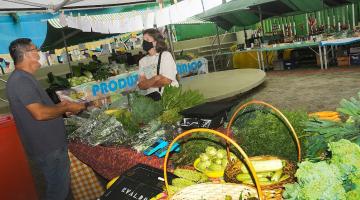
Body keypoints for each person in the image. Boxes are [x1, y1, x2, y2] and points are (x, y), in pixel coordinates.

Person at [6, 38, 86, 200]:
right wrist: (66, 107)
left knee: (61, 189)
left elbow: (42, 110)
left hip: (49, 145)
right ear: (26, 54)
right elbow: (40, 113)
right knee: (57, 191)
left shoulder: (25, 78)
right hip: (48, 147)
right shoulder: (21, 80)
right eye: (36, 49)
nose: (40, 53)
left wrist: (63, 110)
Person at [138, 28, 179, 101]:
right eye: (143, 40)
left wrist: (148, 83)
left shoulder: (165, 55)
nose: (144, 42)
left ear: (155, 42)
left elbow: (167, 81)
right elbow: (141, 85)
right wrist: (156, 78)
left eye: (147, 39)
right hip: (152, 99)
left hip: (169, 97)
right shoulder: (142, 61)